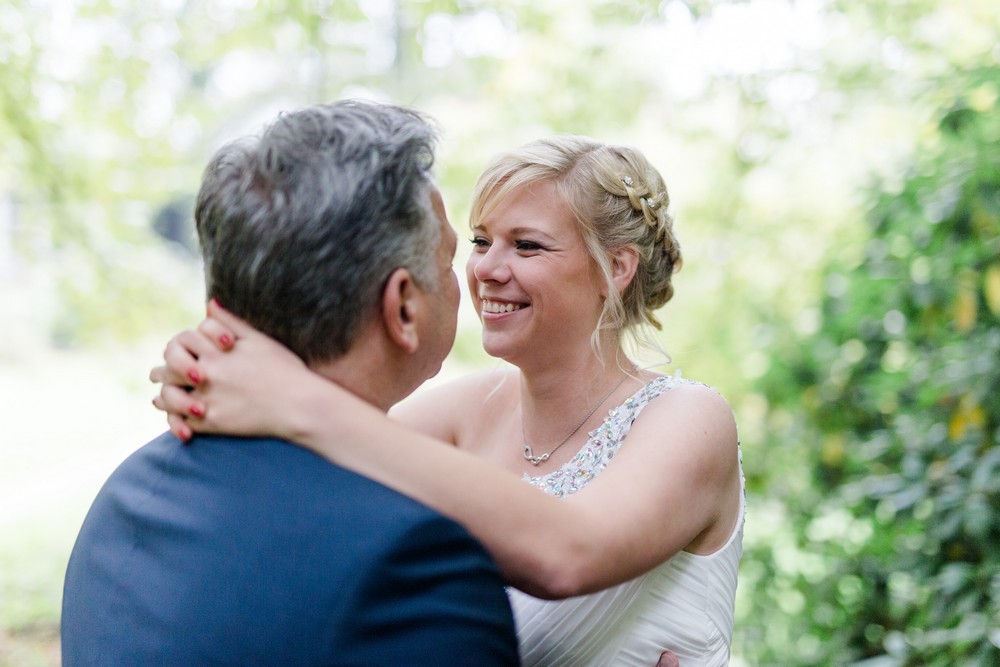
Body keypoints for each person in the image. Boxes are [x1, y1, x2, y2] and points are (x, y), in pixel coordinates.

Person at [154, 134, 744, 666]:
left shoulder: (688, 418)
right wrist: (209, 369)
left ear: (615, 267)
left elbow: (570, 553)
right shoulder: (467, 409)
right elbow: (303, 467)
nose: (486, 268)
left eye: (527, 246)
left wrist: (297, 399)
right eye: (482, 241)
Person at [61, 100, 521, 666]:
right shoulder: (412, 563)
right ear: (402, 307)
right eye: (449, 259)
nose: (468, 282)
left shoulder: (128, 494)